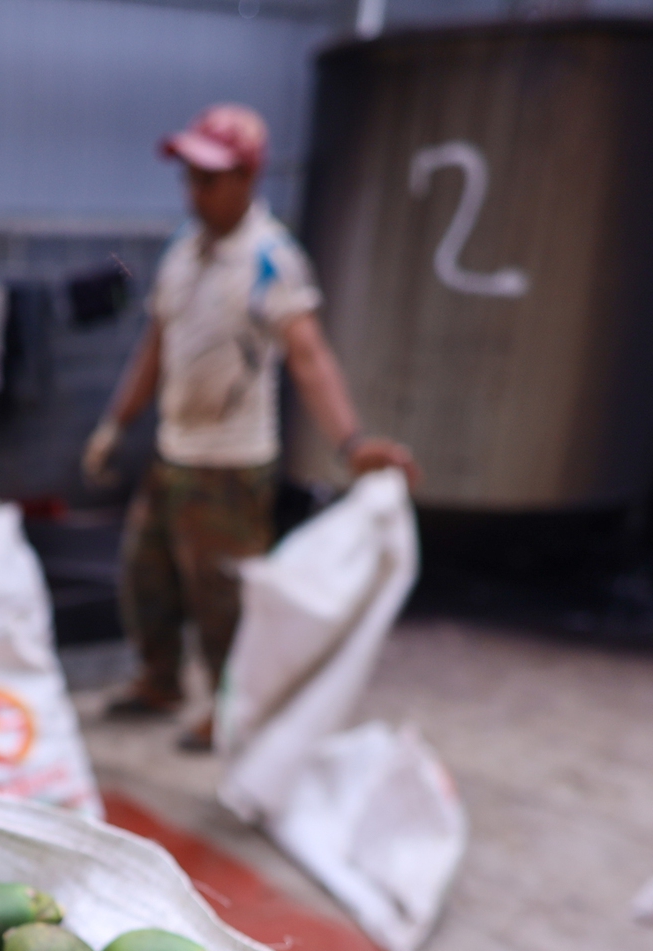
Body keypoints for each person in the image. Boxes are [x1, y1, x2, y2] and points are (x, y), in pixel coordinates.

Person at [82, 103, 419, 749]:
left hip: (231, 468)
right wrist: (114, 426)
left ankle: (231, 707)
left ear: (247, 178)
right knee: (145, 575)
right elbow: (155, 347)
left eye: (208, 180)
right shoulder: (185, 253)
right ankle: (160, 681)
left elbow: (309, 354)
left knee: (224, 603)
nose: (195, 192)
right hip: (173, 453)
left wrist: (351, 443)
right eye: (189, 179)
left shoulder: (271, 261)